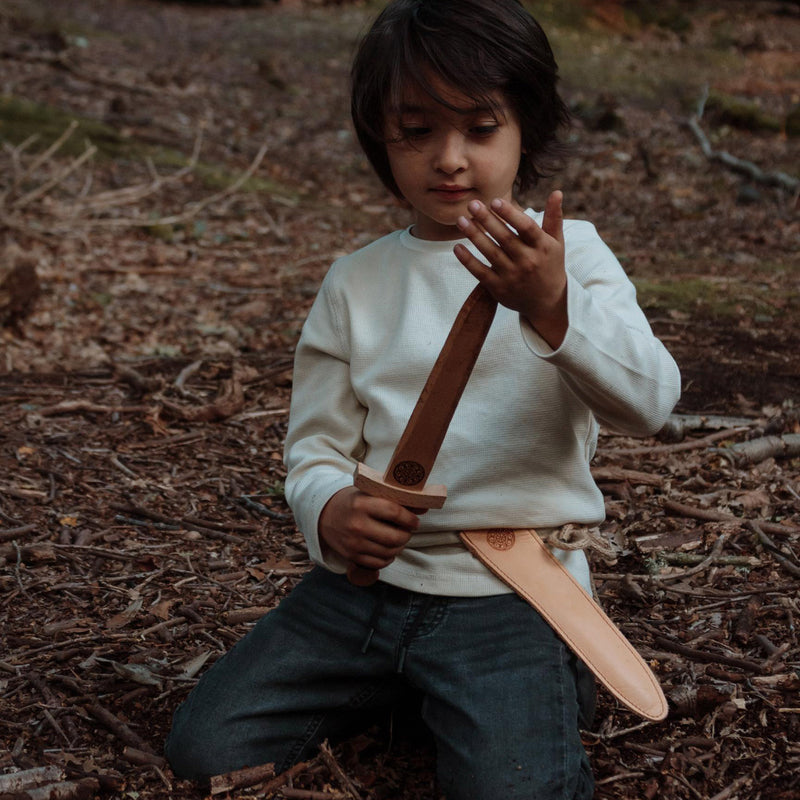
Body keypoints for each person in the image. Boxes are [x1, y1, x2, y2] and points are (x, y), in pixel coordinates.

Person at [165, 1, 681, 797]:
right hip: (364, 590)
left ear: (525, 130)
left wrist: (553, 306)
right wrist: (330, 511)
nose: (449, 159)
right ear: (382, 138)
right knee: (209, 744)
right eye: (416, 132)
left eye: (480, 128)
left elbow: (650, 402)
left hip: (509, 589)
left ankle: (542, 668)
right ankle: (422, 682)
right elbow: (316, 448)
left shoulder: (569, 257)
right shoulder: (357, 282)